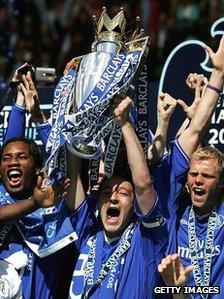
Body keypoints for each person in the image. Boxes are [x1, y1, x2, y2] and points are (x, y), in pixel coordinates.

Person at [67, 94, 167, 298]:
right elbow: (73, 179)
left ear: (135, 205)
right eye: (106, 193)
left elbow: (144, 185)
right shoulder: (87, 233)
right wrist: (74, 117)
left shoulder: (146, 239)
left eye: (123, 193)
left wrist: (124, 122)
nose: (112, 198)